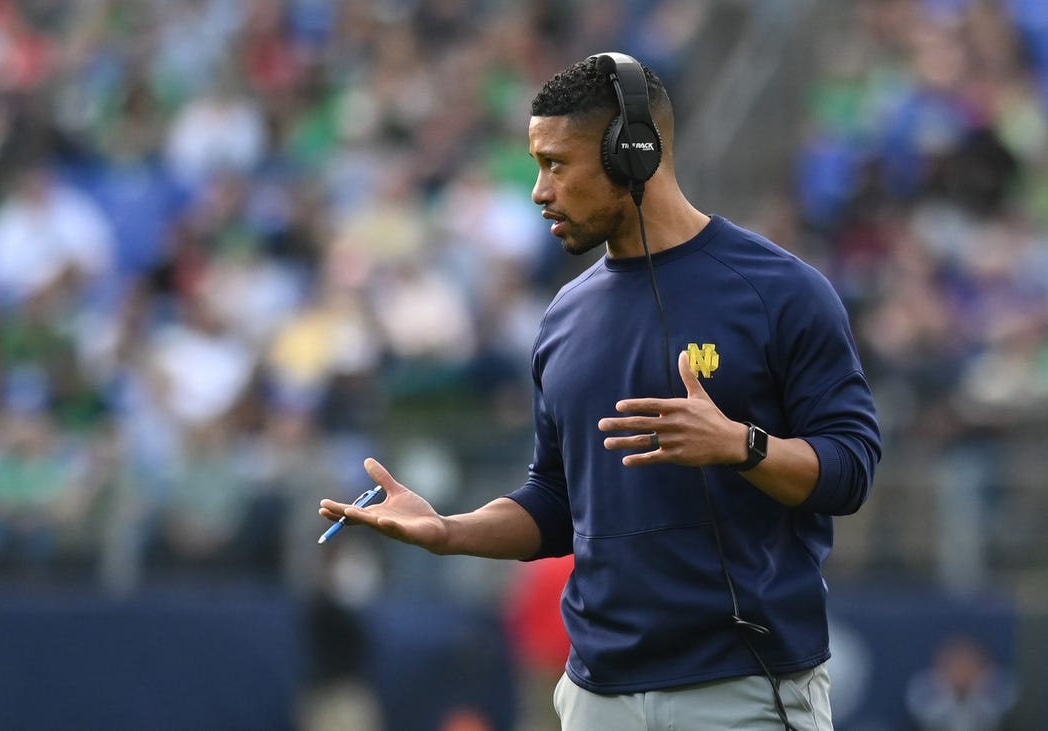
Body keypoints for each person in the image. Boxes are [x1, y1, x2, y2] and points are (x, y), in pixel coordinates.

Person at [320, 52, 881, 731]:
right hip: (596, 695)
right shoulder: (563, 318)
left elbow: (850, 470)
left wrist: (740, 444)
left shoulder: (781, 292)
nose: (538, 190)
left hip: (742, 689)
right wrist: (450, 531)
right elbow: (556, 500)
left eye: (556, 164)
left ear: (633, 155)